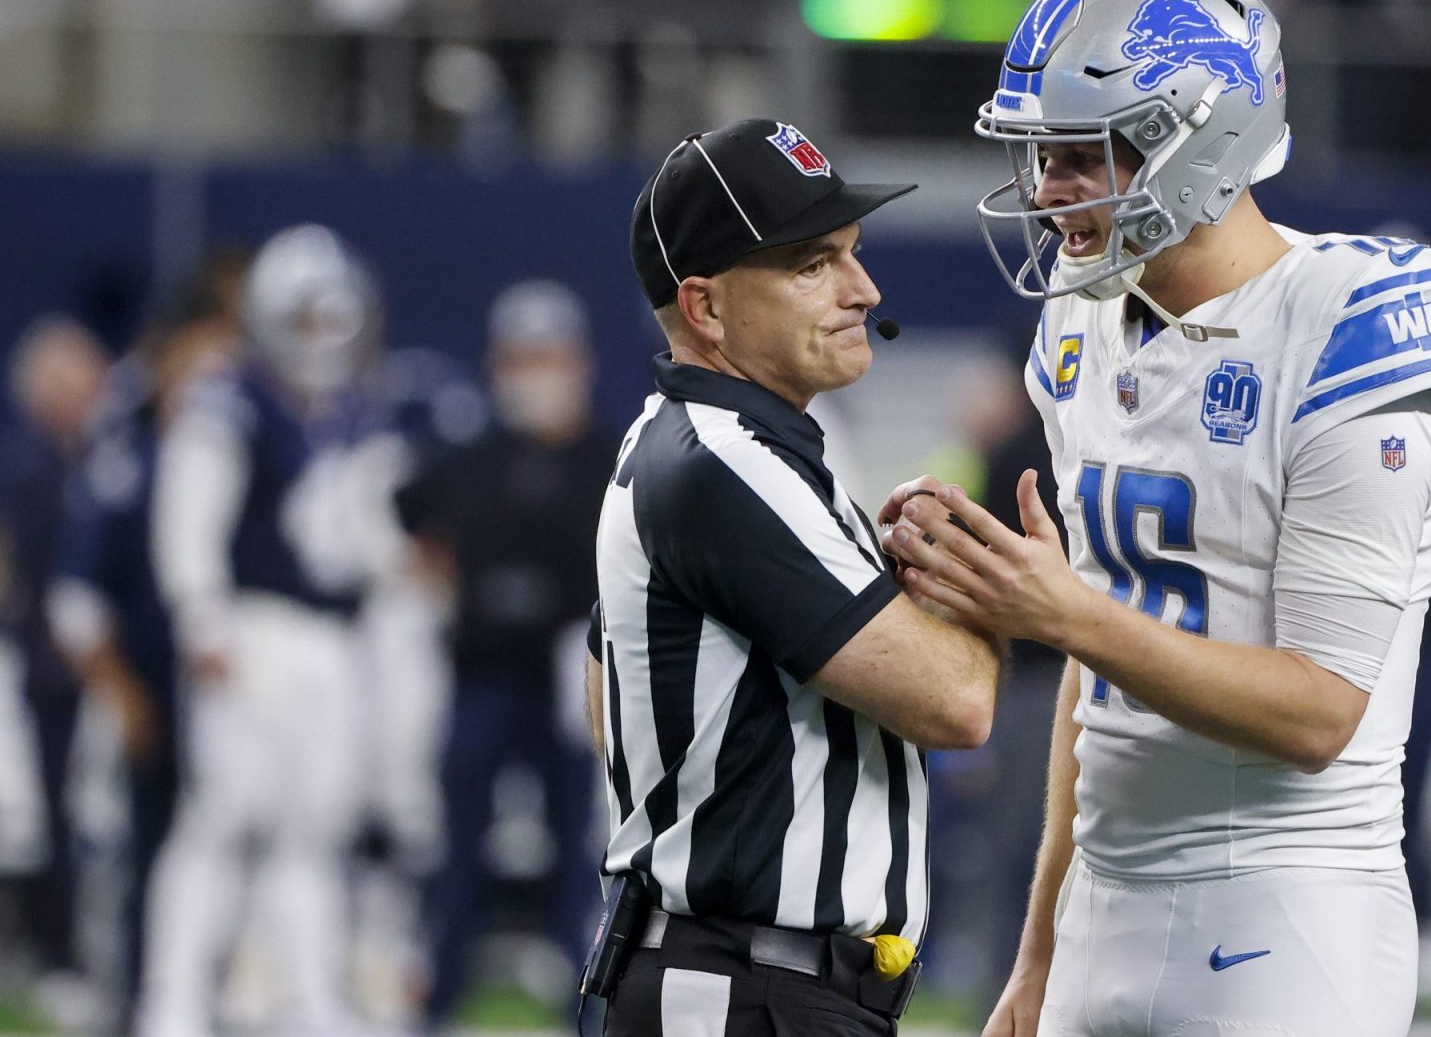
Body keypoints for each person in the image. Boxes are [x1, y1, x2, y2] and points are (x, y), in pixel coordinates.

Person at [890, 0, 1431, 1037]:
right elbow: (1093, 690)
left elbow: (1318, 710)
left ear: (1199, 137)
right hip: (1104, 912)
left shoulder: (1348, 320)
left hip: (1285, 911)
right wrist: (1037, 950)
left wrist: (1065, 613)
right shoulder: (1080, 325)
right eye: (1040, 155)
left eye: (1079, 154)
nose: (1046, 191)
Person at [590, 118, 1002, 1036]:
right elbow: (958, 704)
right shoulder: (722, 464)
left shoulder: (710, 445)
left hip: (747, 979)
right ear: (706, 308)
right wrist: (982, 592)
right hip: (749, 986)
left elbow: (607, 689)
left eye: (852, 254)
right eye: (813, 264)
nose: (864, 290)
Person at [138, 225, 383, 1037]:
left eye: (330, 319)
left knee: (312, 836)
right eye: (306, 319)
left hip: (329, 641)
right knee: (219, 825)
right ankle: (173, 1003)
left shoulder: (347, 406)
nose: (321, 338)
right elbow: (188, 517)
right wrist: (200, 615)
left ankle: (309, 998)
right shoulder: (230, 395)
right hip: (251, 631)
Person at [396, 279, 612, 1030]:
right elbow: (405, 517)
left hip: (569, 678)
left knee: (580, 854)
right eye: (523, 357)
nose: (536, 372)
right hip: (481, 671)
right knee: (457, 851)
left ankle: (582, 1005)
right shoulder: (468, 454)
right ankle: (440, 999)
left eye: (548, 356)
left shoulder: (609, 456)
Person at [46, 274, 242, 1035]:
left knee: (231, 856)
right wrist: (121, 693)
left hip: (230, 696)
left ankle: (212, 1002)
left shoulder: (248, 446)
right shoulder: (127, 458)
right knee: (142, 854)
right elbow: (77, 597)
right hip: (149, 687)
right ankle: (129, 1005)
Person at [0, 316, 109, 1012]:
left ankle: (81, 953)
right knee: (38, 816)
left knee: (83, 817)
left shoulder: (100, 458)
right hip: (38, 662)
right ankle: (49, 956)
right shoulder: (21, 463)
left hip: (91, 664)